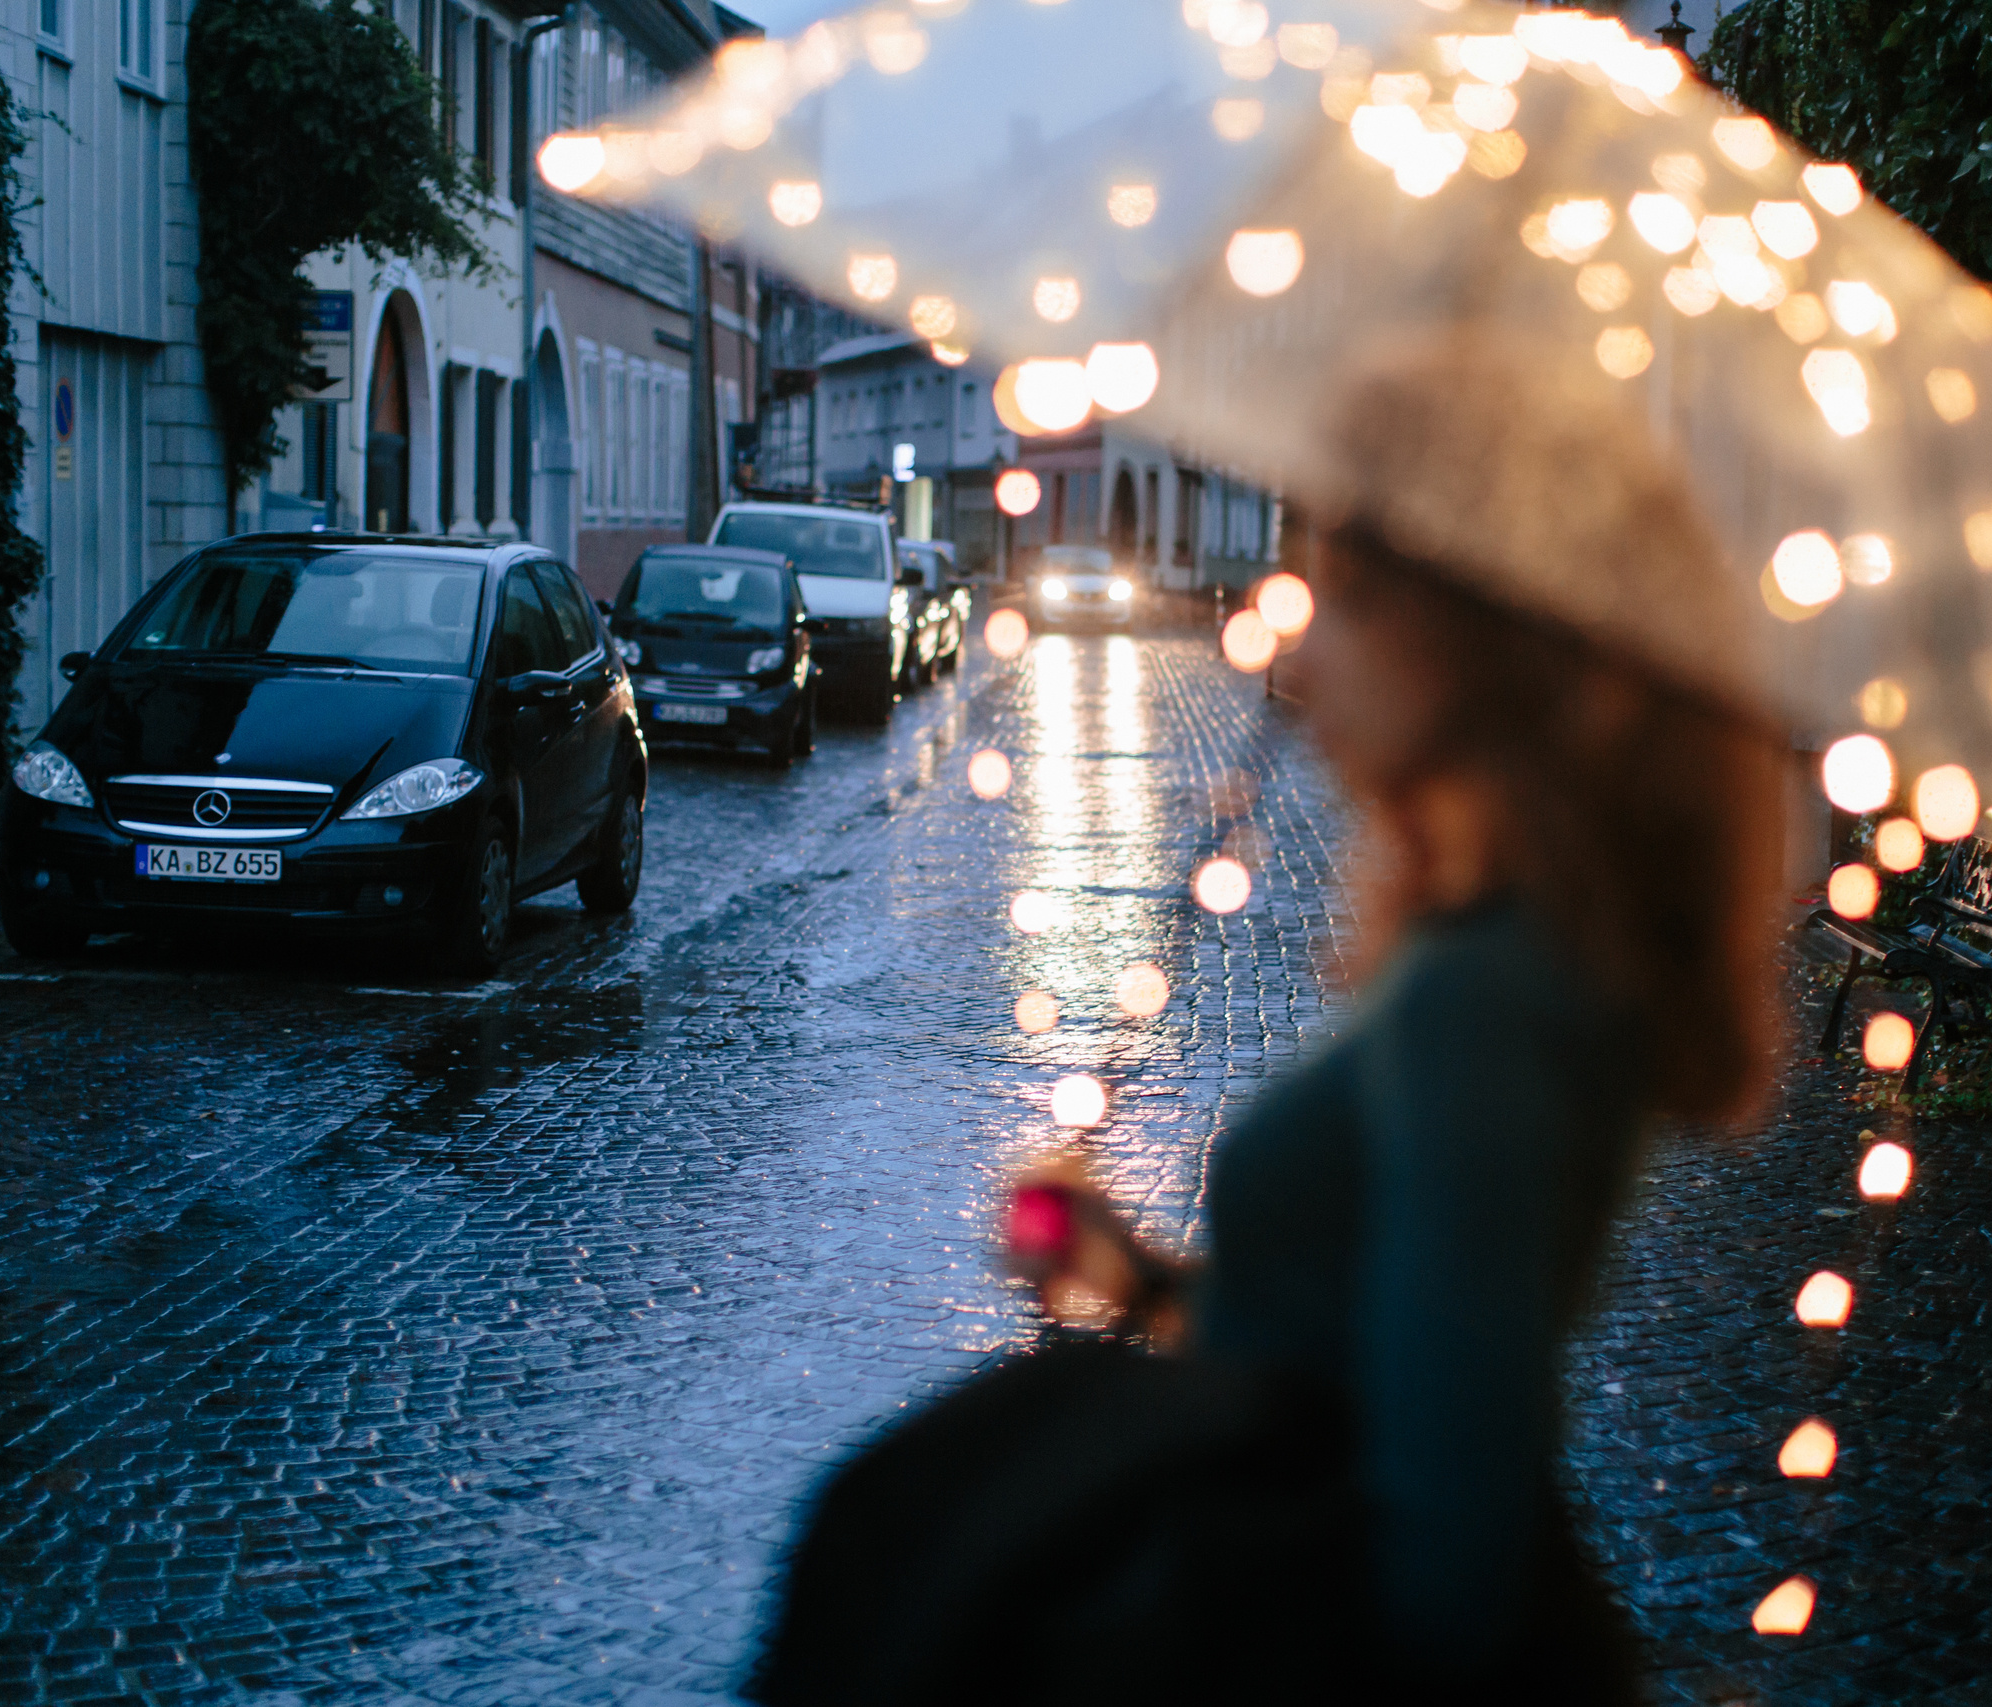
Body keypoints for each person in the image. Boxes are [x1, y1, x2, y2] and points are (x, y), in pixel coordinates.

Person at [754, 346, 1788, 1703]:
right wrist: (1140, 1279)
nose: (1298, 643)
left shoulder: (1486, 999)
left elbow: (1449, 1560)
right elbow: (1340, 1356)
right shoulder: (1491, 949)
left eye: (1344, 598)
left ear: (1473, 644)